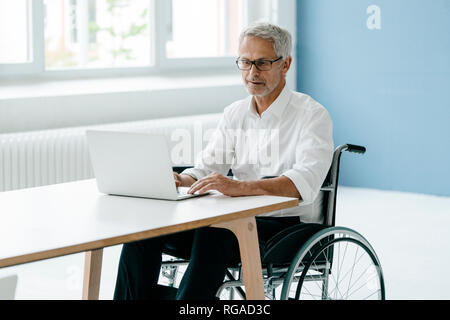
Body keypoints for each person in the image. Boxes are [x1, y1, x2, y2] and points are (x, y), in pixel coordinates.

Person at [113, 22, 334, 300]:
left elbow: (304, 183)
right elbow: (207, 167)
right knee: (144, 231)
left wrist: (238, 187)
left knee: (216, 230)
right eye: (245, 62)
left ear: (285, 64)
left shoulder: (312, 115)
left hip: (286, 226)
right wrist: (180, 180)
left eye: (262, 63)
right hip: (236, 220)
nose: (252, 73)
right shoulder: (235, 113)